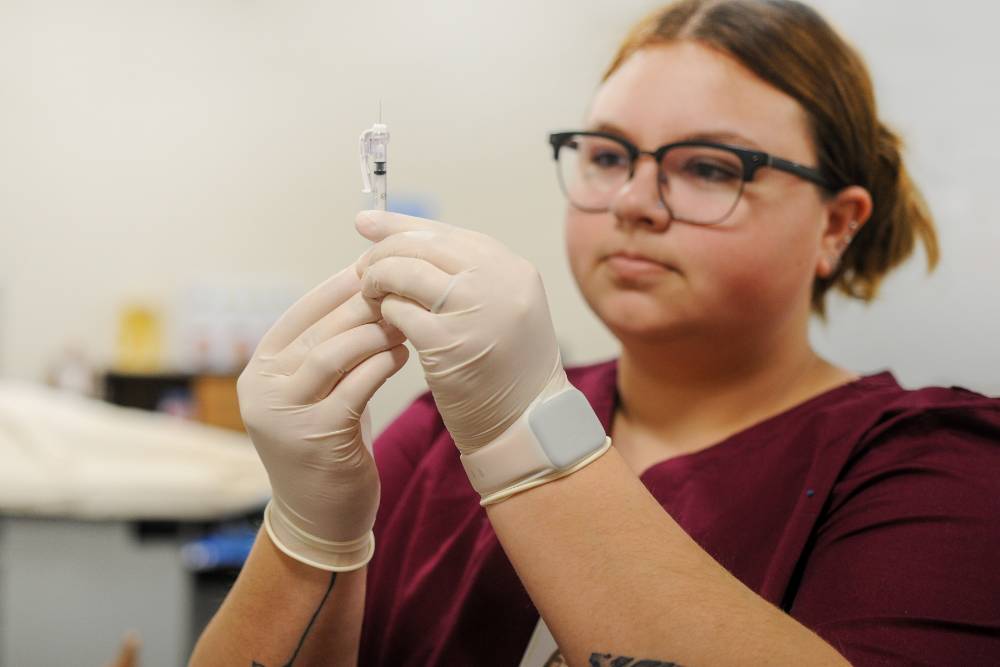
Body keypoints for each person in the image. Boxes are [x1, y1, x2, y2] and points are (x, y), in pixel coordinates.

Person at [190, 1, 1000, 665]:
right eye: (608, 156)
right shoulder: (445, 433)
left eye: (710, 166)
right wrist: (306, 532)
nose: (633, 202)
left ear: (836, 224)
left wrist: (526, 436)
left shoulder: (936, 466)